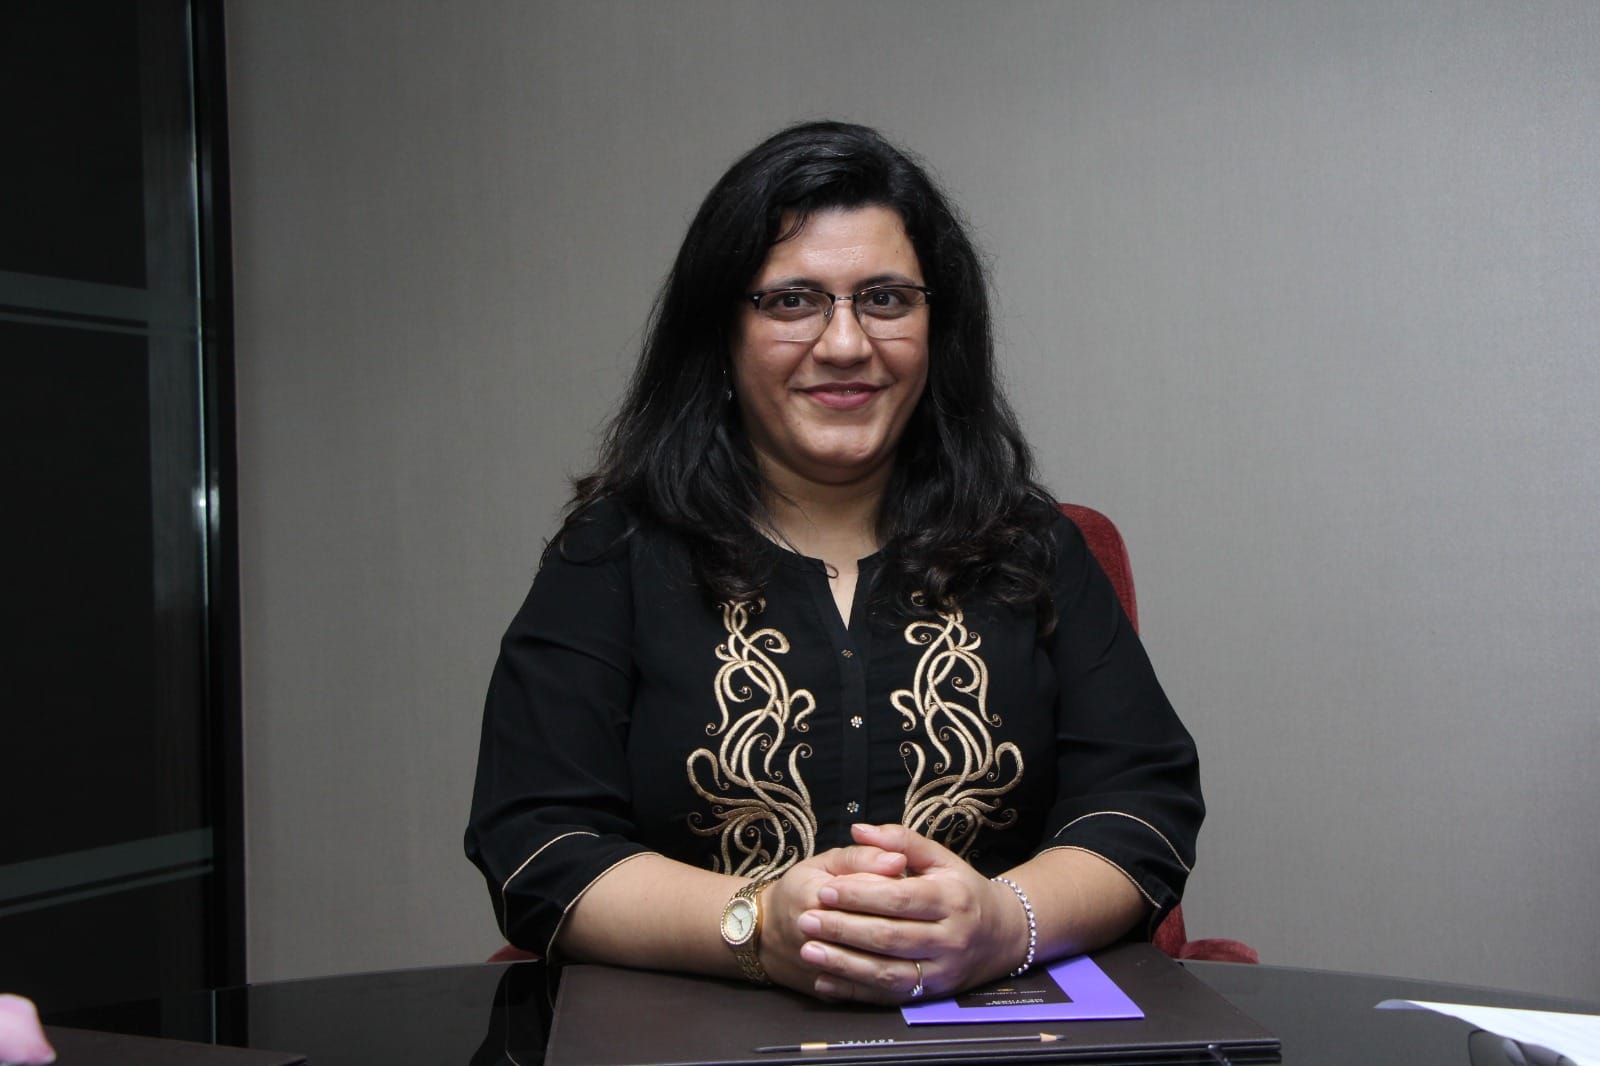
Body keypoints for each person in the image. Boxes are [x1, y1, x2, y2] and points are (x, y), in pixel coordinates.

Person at [465, 121, 1202, 1005]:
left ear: (937, 327)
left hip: (997, 1032)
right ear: (721, 332)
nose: (846, 343)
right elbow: (537, 844)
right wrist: (757, 926)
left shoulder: (1034, 548)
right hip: (694, 1032)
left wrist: (1004, 924)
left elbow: (1142, 806)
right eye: (792, 301)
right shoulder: (611, 558)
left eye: (885, 298)